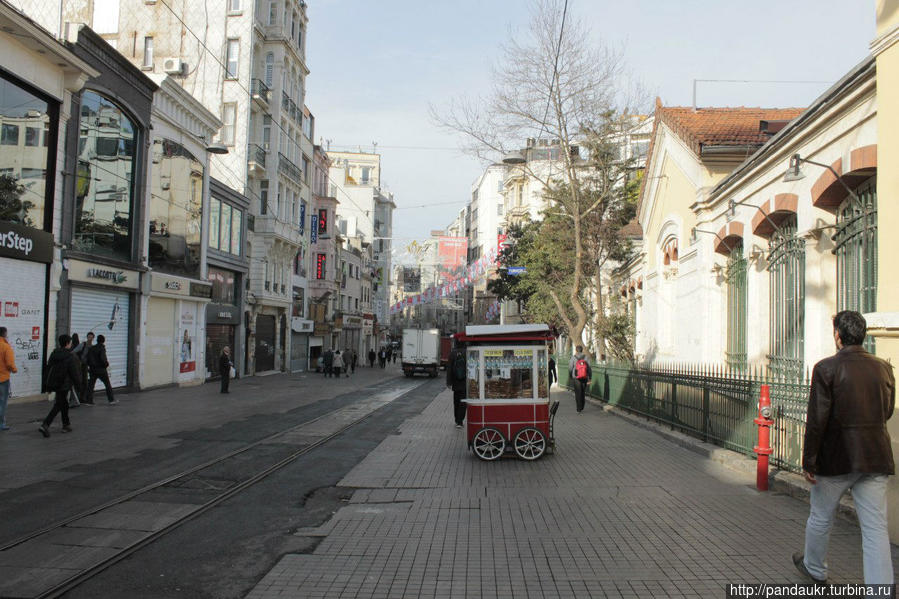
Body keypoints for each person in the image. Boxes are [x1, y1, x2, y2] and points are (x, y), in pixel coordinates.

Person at [793, 311, 895, 588]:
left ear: (838, 335)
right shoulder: (884, 368)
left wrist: (809, 461)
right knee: (875, 527)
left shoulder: (825, 368)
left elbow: (817, 420)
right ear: (863, 335)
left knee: (821, 515)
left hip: (836, 459)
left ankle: (815, 568)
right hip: (876, 456)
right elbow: (885, 412)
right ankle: (880, 589)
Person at [39, 334, 82, 437]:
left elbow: (48, 368)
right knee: (59, 404)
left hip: (55, 383)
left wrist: (47, 385)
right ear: (67, 343)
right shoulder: (70, 356)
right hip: (64, 384)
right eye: (70, 342)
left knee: (64, 403)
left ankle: (66, 425)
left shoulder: (54, 354)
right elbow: (74, 373)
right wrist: (79, 386)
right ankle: (45, 424)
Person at [85, 334, 117, 405]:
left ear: (97, 340)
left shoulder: (92, 348)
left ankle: (89, 401)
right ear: (103, 341)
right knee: (107, 384)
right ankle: (111, 400)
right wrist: (106, 364)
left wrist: (90, 366)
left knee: (91, 385)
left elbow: (88, 358)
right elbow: (103, 359)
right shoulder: (101, 348)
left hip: (92, 369)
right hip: (101, 370)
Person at [446, 342, 467, 428]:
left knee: (456, 402)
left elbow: (449, 369)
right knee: (463, 402)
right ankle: (460, 421)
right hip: (465, 382)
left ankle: (456, 420)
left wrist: (449, 382)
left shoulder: (452, 353)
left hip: (455, 382)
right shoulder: (467, 352)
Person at [0, 326, 17, 431]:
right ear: (4, 334)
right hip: (3, 379)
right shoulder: (6, 347)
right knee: (2, 402)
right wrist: (14, 370)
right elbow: (10, 364)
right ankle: (1, 423)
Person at [569, 346, 591, 414]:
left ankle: (579, 409)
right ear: (582, 350)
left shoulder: (573, 357)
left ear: (576, 350)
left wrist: (570, 376)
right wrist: (590, 377)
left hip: (576, 378)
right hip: (584, 377)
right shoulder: (586, 357)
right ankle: (582, 406)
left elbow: (570, 367)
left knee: (578, 393)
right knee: (583, 392)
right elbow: (589, 368)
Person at [67, 333, 82, 408]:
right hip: (77, 368)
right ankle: (76, 400)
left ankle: (73, 400)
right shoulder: (79, 346)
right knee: (73, 387)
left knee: (71, 387)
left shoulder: (71, 349)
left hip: (71, 371)